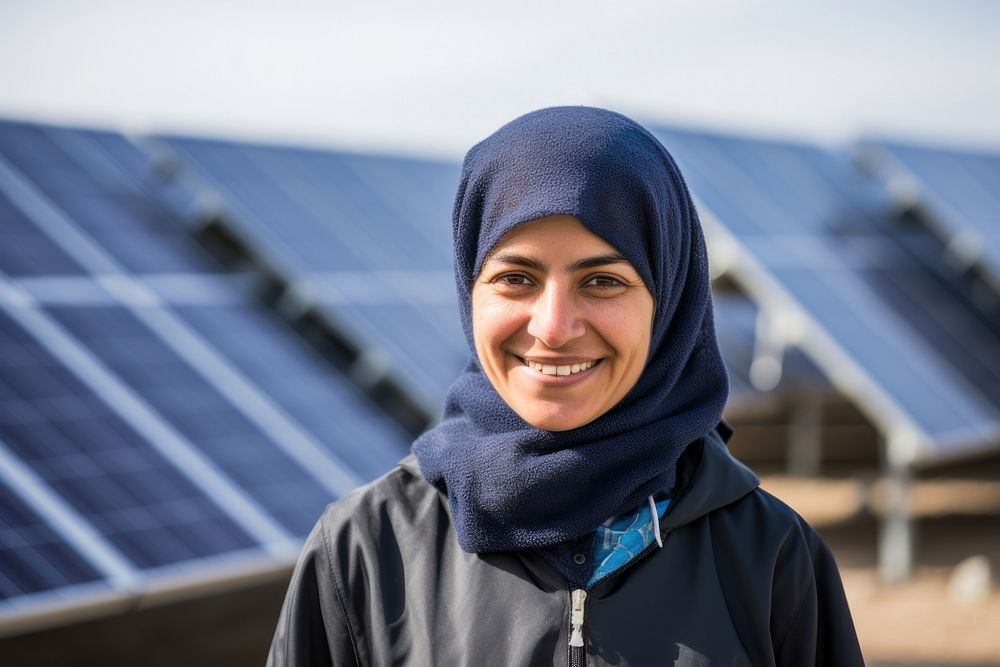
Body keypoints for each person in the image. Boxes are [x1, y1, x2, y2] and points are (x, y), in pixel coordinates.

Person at [266, 106, 864, 666]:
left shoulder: (773, 559)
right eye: (515, 277)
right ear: (468, 291)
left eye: (603, 280)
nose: (553, 327)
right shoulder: (365, 550)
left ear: (671, 300)